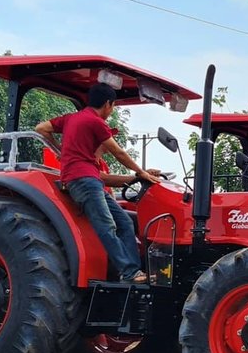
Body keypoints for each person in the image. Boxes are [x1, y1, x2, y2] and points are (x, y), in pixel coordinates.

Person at [35, 83, 159, 284]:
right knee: (107, 225)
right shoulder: (95, 122)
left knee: (125, 222)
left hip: (90, 181)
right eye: (113, 107)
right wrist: (141, 172)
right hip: (84, 181)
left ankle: (134, 271)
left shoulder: (71, 119)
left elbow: (41, 128)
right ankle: (129, 272)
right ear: (108, 104)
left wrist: (60, 149)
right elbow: (119, 152)